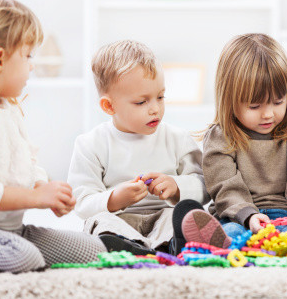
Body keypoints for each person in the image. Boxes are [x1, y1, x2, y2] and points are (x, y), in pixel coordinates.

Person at [0, 0, 107, 274]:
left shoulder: (5, 106)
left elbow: (24, 162)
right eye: (28, 55)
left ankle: (9, 250)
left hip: (10, 229)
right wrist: (36, 198)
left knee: (93, 250)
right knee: (23, 259)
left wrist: (45, 190)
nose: (32, 65)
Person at [177, 33, 287, 261]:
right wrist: (249, 216)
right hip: (237, 216)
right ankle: (219, 247)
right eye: (255, 105)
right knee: (232, 234)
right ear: (230, 100)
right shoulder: (221, 136)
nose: (269, 114)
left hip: (286, 215)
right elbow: (224, 186)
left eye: (278, 102)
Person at [68, 40, 209, 255]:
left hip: (164, 218)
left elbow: (205, 186)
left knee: (185, 215)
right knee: (100, 222)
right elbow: (82, 202)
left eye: (160, 97)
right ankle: (131, 248)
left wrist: (177, 186)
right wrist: (115, 199)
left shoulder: (177, 139)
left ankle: (170, 244)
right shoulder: (90, 144)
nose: (155, 109)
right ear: (109, 106)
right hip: (118, 221)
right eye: (141, 102)